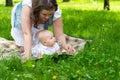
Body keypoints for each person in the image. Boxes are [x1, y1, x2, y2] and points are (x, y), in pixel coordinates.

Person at [11, 0, 75, 60]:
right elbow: (26, 33)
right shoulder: (27, 7)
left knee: (40, 41)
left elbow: (59, 34)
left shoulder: (56, 11)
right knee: (25, 48)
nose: (47, 17)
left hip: (37, 16)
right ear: (37, 11)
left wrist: (65, 45)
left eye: (50, 14)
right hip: (23, 16)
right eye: (44, 14)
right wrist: (28, 57)